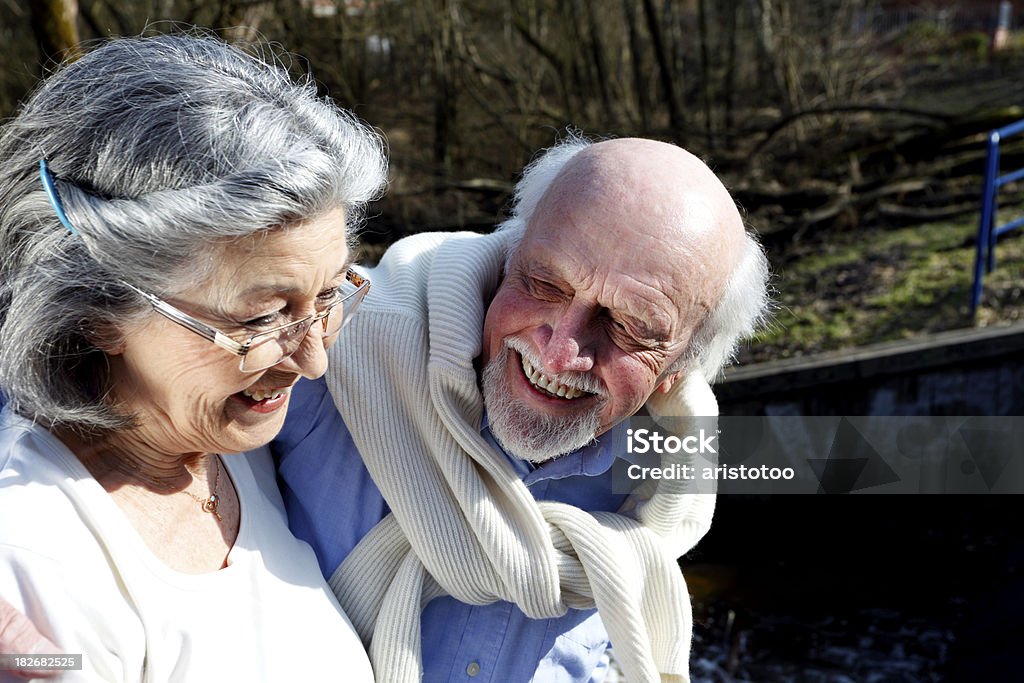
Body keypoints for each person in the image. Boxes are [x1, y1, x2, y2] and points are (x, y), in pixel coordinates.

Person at [275, 136, 771, 682]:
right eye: (544, 283)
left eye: (627, 326)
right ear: (512, 248)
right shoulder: (326, 349)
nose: (560, 354)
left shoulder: (667, 472)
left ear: (682, 363)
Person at [0, 33, 386, 681]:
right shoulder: (37, 564)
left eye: (328, 295)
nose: (313, 361)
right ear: (98, 308)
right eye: (262, 317)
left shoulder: (234, 444)